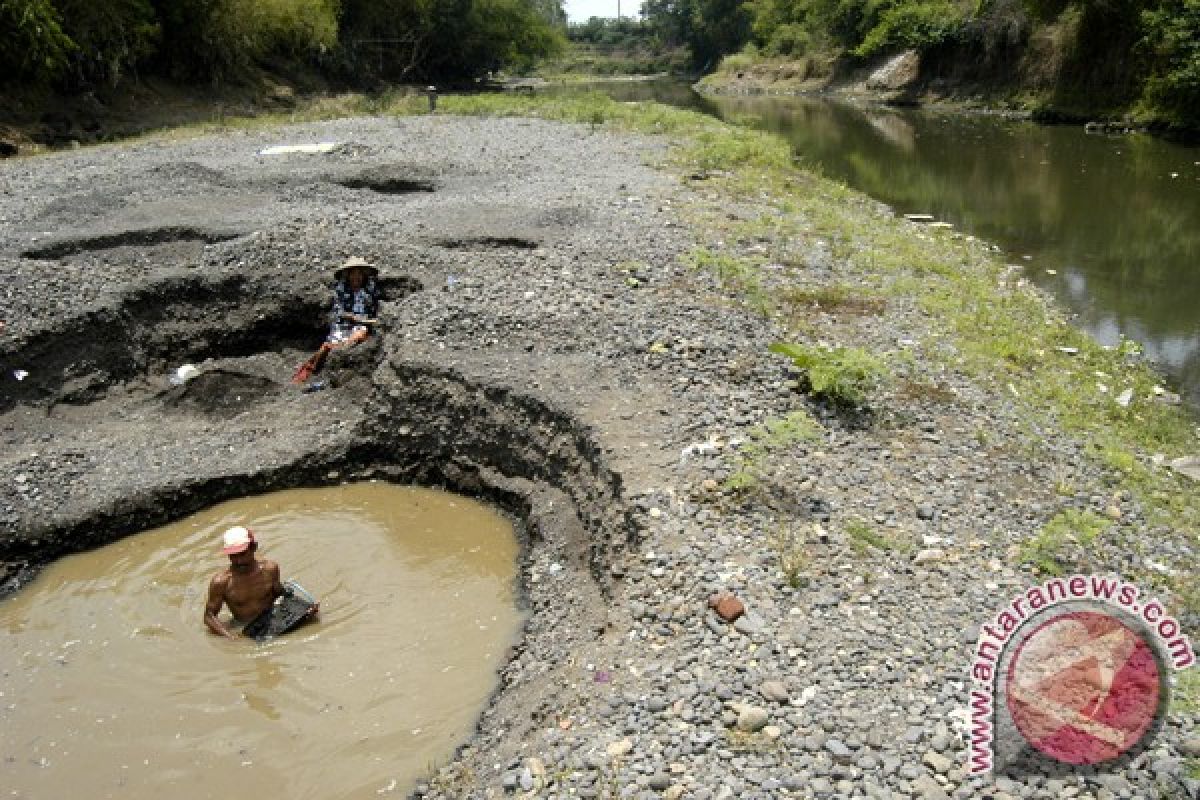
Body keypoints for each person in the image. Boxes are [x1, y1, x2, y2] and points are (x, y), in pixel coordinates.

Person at [203, 526, 317, 639]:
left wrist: (305, 611)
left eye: (242, 553)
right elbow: (209, 616)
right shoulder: (221, 583)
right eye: (233, 555)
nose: (238, 561)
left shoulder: (270, 569)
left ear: (254, 547)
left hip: (274, 620)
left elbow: (281, 595)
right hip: (245, 628)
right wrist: (230, 637)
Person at [292, 256, 381, 383]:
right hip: (343, 325)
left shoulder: (369, 290)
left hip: (361, 325)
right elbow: (338, 311)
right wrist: (350, 316)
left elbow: (373, 309)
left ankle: (342, 350)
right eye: (353, 274)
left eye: (359, 274)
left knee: (359, 334)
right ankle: (310, 370)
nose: (357, 278)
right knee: (326, 346)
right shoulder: (342, 290)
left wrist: (365, 319)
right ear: (348, 275)